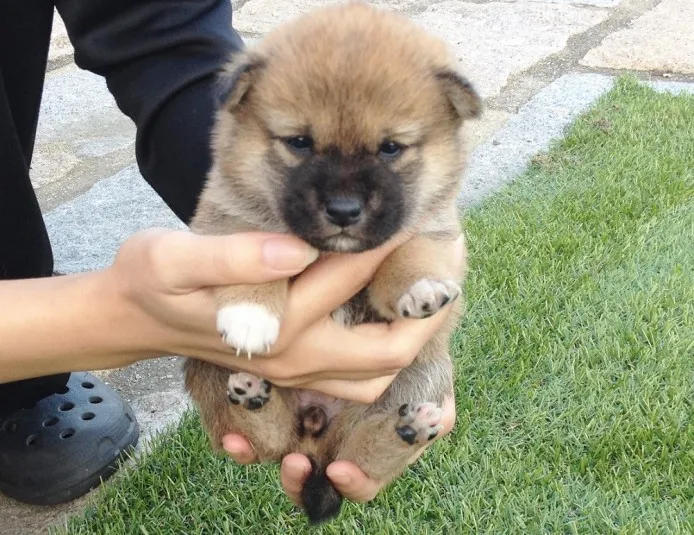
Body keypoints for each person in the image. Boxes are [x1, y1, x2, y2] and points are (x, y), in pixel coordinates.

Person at [0, 0, 456, 509]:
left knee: (426, 373)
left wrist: (418, 271)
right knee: (214, 369)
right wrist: (122, 317)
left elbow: (162, 39)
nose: (346, 197)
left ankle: (382, 436)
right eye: (302, 143)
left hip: (362, 406)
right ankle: (263, 415)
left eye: (390, 150)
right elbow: (227, 229)